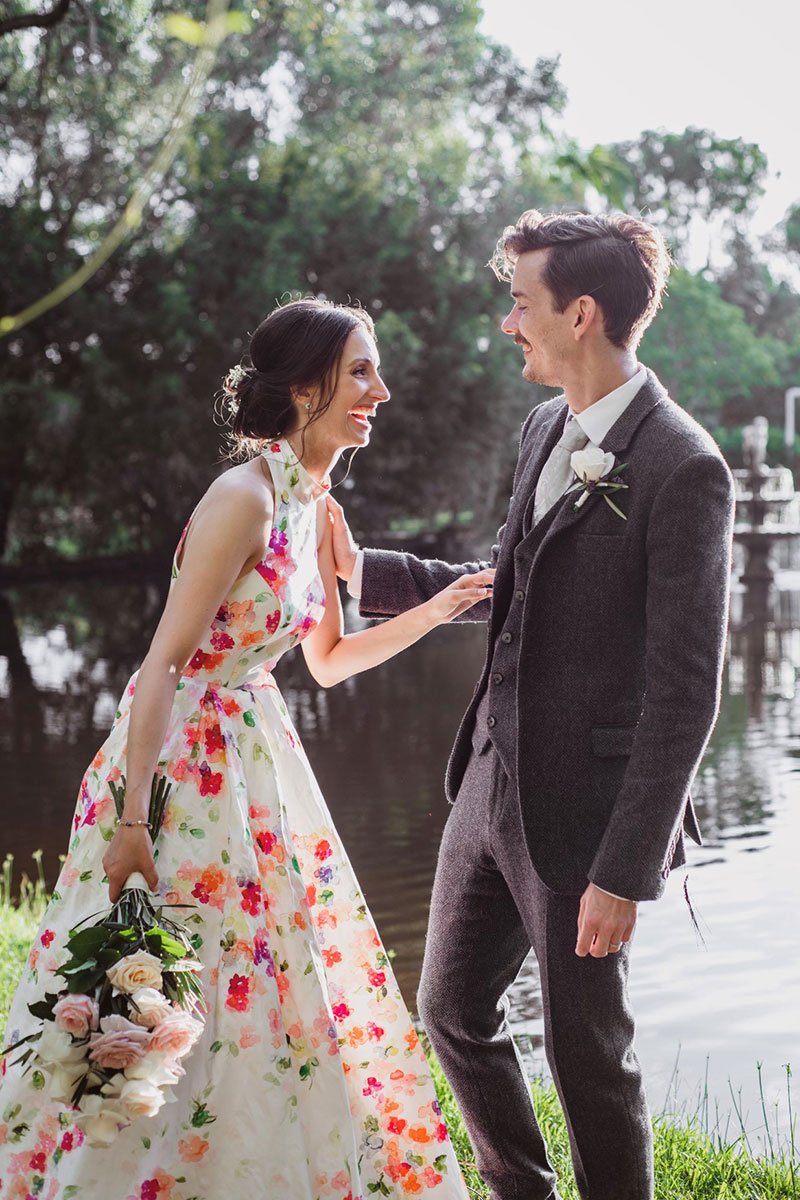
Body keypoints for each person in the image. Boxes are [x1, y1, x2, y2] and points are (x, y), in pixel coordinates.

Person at [0, 299, 489, 1198]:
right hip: (182, 770)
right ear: (304, 387)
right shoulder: (244, 498)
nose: (381, 390)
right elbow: (160, 667)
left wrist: (436, 608)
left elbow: (330, 663)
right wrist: (133, 819)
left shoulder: (318, 507)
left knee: (274, 985)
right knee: (167, 978)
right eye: (361, 373)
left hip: (262, 769)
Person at [326, 211, 736, 1200]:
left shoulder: (683, 467)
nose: (508, 323)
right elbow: (511, 584)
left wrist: (623, 869)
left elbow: (685, 692)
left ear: (579, 313)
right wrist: (370, 569)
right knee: (452, 1011)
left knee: (586, 1058)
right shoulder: (545, 424)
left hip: (588, 817)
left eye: (520, 303)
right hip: (486, 780)